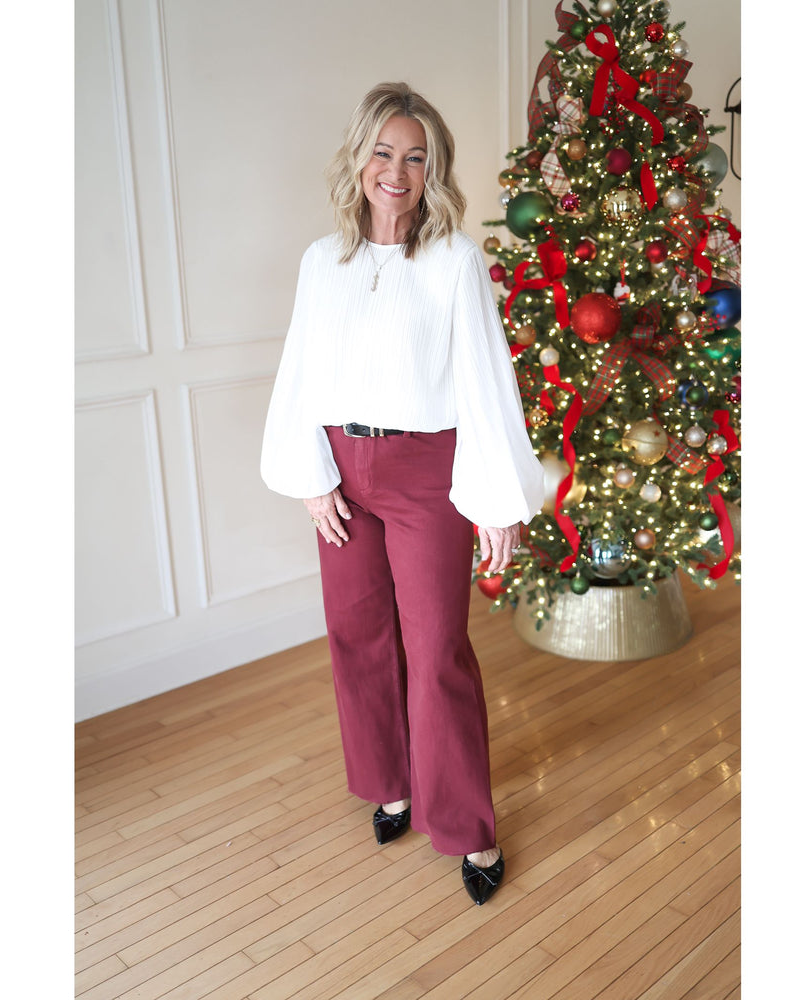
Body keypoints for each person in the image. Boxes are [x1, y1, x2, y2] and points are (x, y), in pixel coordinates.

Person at [260, 82, 544, 906]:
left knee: (438, 651)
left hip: (428, 476)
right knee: (356, 636)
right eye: (384, 152)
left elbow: (484, 381)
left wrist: (496, 500)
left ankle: (466, 826)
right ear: (360, 159)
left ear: (433, 171)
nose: (398, 170)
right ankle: (390, 783)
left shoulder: (454, 260)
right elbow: (300, 375)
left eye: (415, 157)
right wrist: (312, 479)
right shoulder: (324, 261)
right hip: (343, 471)